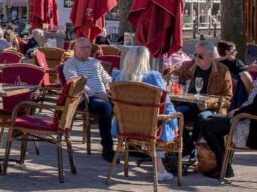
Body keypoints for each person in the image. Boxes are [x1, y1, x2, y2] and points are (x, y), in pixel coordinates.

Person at [112, 46, 178, 183]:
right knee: (164, 122)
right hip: (150, 129)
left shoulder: (117, 77)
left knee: (157, 123)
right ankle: (160, 169)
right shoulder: (154, 77)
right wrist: (174, 119)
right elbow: (166, 105)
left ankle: (160, 169)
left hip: (126, 127)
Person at [174, 40, 233, 158]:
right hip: (189, 106)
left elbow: (227, 97)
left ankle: (190, 145)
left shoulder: (223, 71)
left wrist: (209, 104)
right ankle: (188, 143)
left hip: (211, 108)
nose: (196, 58)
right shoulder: (188, 66)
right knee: (174, 114)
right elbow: (171, 77)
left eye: (200, 56)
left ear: (211, 56)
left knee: (202, 117)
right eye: (195, 55)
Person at [63, 36, 115, 161]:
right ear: (75, 48)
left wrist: (108, 89)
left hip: (103, 95)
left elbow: (107, 79)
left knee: (126, 104)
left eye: (88, 47)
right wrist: (98, 95)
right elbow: (77, 85)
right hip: (84, 98)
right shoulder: (70, 64)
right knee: (106, 107)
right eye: (83, 47)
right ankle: (107, 147)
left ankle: (134, 144)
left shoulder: (95, 62)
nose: (87, 50)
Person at [216, 41, 254, 109]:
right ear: (227, 51)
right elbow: (246, 77)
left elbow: (212, 61)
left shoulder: (217, 64)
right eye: (234, 50)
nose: (236, 52)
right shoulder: (236, 62)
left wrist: (247, 67)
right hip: (239, 97)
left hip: (223, 95)